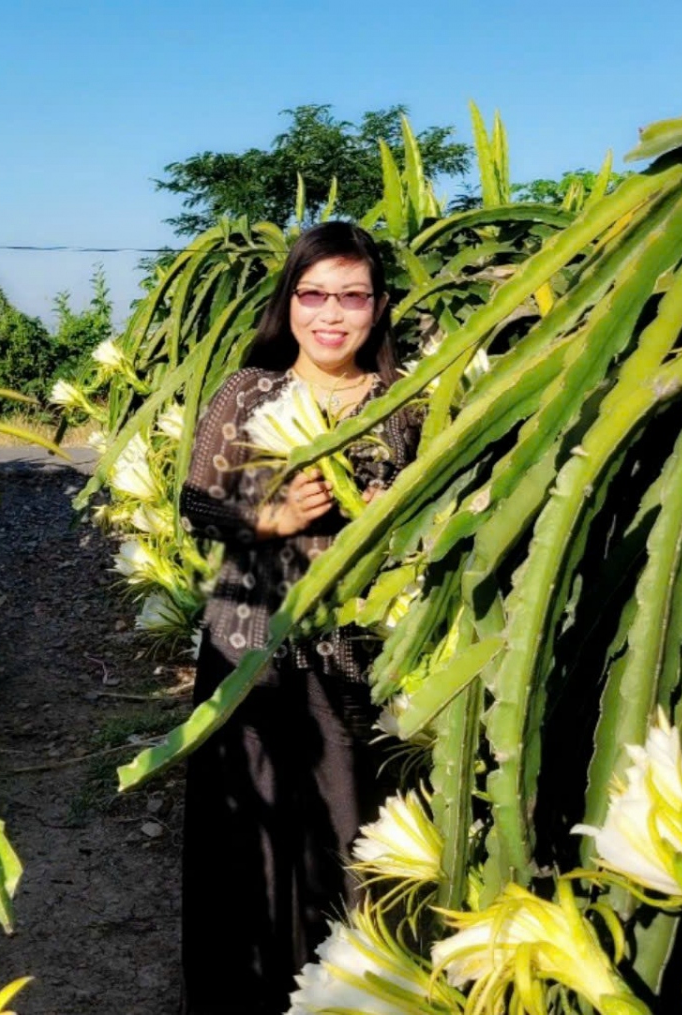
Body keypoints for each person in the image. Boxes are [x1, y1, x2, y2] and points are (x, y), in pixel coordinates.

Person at [177, 221, 422, 1014]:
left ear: (377, 307)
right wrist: (267, 515)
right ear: (289, 303)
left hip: (361, 655)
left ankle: (353, 993)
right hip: (251, 648)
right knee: (252, 836)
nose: (331, 314)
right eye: (314, 294)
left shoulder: (407, 401)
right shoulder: (247, 391)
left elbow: (448, 509)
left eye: (351, 297)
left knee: (352, 832)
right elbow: (194, 500)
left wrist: (403, 510)